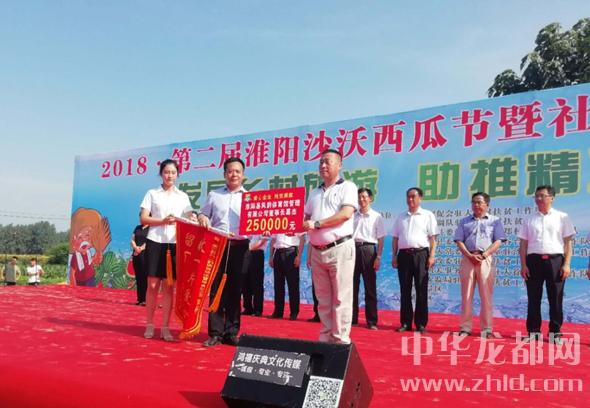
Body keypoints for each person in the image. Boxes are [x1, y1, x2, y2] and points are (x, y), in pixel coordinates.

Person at [303, 149, 358, 344]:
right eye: (321, 162)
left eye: (328, 161)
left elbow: (345, 214)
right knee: (323, 299)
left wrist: (317, 224)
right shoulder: (314, 192)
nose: (323, 166)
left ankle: (340, 340)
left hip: (340, 248)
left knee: (341, 297)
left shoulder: (348, 187)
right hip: (318, 251)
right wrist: (287, 226)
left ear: (339, 165)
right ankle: (325, 338)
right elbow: (306, 218)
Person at [140, 159, 195, 342]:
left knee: (169, 287)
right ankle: (149, 324)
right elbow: (144, 219)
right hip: (155, 241)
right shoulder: (152, 193)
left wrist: (194, 218)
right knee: (152, 285)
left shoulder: (183, 196)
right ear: (161, 174)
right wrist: (163, 221)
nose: (169, 175)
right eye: (166, 172)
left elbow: (190, 215)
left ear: (177, 174)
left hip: (174, 243)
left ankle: (165, 327)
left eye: (173, 172)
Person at [198, 157, 250, 347]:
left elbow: (258, 224)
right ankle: (215, 333)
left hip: (240, 246)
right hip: (218, 245)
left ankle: (232, 332)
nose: (233, 174)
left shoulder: (250, 198)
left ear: (243, 175)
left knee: (236, 290)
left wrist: (265, 230)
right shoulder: (214, 195)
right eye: (230, 171)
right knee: (216, 289)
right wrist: (203, 217)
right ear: (224, 174)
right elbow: (203, 213)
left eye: (237, 171)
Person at [518, 185, 575, 344]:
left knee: (555, 298)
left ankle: (555, 333)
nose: (538, 199)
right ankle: (533, 331)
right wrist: (523, 265)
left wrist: (566, 264)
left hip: (555, 261)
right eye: (536, 196)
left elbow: (568, 243)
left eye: (542, 195)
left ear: (552, 198)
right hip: (533, 261)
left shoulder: (562, 217)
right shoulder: (529, 219)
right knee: (533, 297)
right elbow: (523, 244)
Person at [453, 192, 506, 337]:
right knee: (466, 295)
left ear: (487, 205)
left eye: (479, 202)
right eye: (474, 202)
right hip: (468, 258)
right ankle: (465, 328)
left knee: (486, 296)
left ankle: (486, 329)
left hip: (485, 259)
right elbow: (459, 240)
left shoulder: (495, 221)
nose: (476, 205)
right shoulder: (464, 221)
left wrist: (484, 255)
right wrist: (469, 255)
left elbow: (498, 241)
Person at [391, 187, 438, 333]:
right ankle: (405, 322)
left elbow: (433, 238)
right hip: (404, 255)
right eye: (408, 197)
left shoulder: (427, 215)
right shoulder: (401, 217)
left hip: (421, 254)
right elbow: (395, 238)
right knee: (404, 289)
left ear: (420, 198)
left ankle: (421, 324)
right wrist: (394, 255)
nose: (410, 199)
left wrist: (431, 256)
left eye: (413, 196)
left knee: (421, 289)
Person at [352, 188, 385, 330]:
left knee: (369, 287)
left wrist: (378, 257)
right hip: (353, 249)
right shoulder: (353, 215)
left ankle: (371, 321)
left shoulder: (376, 216)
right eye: (359, 197)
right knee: (351, 287)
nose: (361, 199)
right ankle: (351, 319)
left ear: (370, 199)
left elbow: (381, 239)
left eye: (364, 197)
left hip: (369, 250)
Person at [269, 233, 305, 320]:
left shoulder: (295, 224)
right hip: (278, 253)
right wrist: (271, 256)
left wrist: (299, 256)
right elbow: (273, 240)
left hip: (291, 252)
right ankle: (278, 312)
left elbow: (302, 239)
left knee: (293, 284)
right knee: (278, 285)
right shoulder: (277, 224)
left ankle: (294, 312)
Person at [242, 236, 268, 317]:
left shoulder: (262, 228)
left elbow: (263, 240)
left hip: (257, 254)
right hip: (245, 252)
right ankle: (247, 308)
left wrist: (250, 247)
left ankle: (258, 309)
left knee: (257, 282)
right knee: (245, 280)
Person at [131, 217, 149, 306]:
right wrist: (135, 247)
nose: (141, 218)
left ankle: (145, 299)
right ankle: (139, 299)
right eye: (140, 217)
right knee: (138, 278)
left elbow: (149, 242)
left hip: (145, 255)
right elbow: (132, 239)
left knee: (145, 278)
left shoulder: (151, 229)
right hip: (136, 255)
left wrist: (140, 249)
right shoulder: (137, 227)